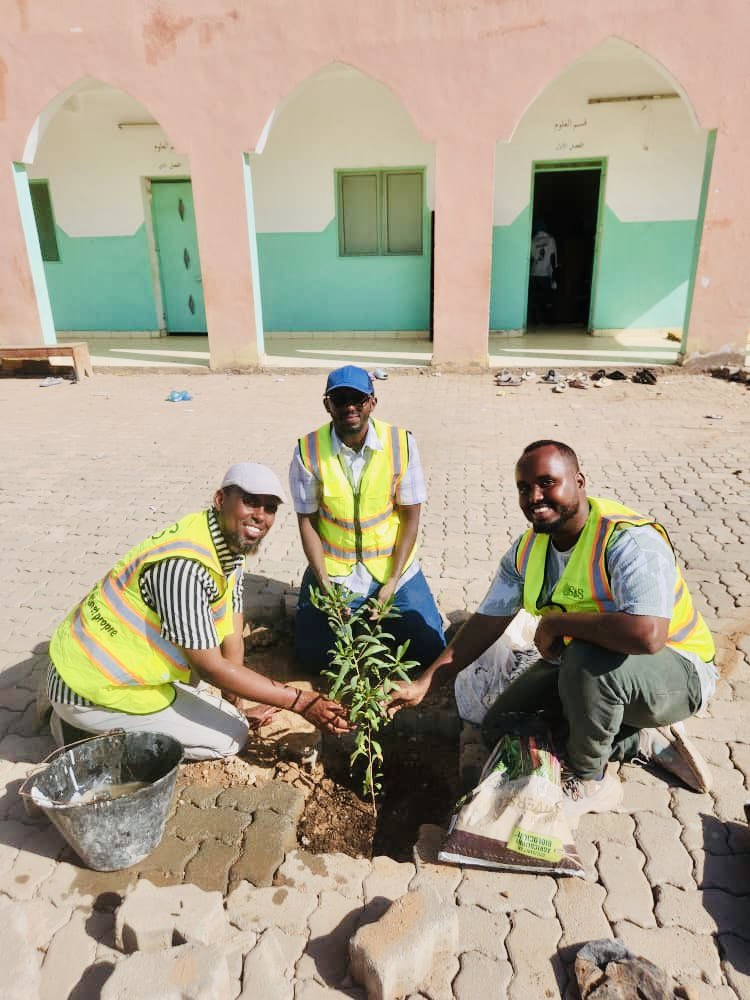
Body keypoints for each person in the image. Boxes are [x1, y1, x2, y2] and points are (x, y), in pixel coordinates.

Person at [389, 440, 717, 820]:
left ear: (578, 481)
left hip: (677, 670)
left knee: (583, 658)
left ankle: (592, 779)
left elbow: (648, 635)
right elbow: (486, 623)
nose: (535, 497)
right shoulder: (529, 549)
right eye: (524, 488)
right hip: (593, 666)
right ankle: (638, 738)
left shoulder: (628, 540)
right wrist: (424, 683)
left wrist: (557, 622)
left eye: (548, 483)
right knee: (502, 724)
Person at [46, 463, 350, 760]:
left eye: (270, 508)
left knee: (229, 714)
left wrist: (237, 706)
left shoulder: (227, 544)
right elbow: (211, 667)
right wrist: (300, 702)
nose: (260, 516)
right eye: (249, 502)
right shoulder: (186, 568)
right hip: (91, 689)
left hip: (106, 669)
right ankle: (84, 740)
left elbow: (232, 633)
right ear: (220, 499)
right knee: (230, 738)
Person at [289, 365, 445, 672]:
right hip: (335, 572)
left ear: (372, 402)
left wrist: (392, 582)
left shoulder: (401, 444)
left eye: (358, 399)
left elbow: (411, 520)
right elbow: (306, 521)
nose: (350, 406)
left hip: (393, 568)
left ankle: (375, 622)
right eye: (340, 399)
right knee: (311, 655)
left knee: (429, 649)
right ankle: (358, 625)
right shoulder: (307, 451)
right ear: (327, 404)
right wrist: (324, 585)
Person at [528, 221, 558, 326]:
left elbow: (531, 258)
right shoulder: (551, 239)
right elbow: (553, 258)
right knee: (547, 299)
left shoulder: (533, 240)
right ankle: (546, 322)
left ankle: (535, 321)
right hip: (546, 274)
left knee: (535, 299)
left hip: (534, 273)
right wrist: (554, 277)